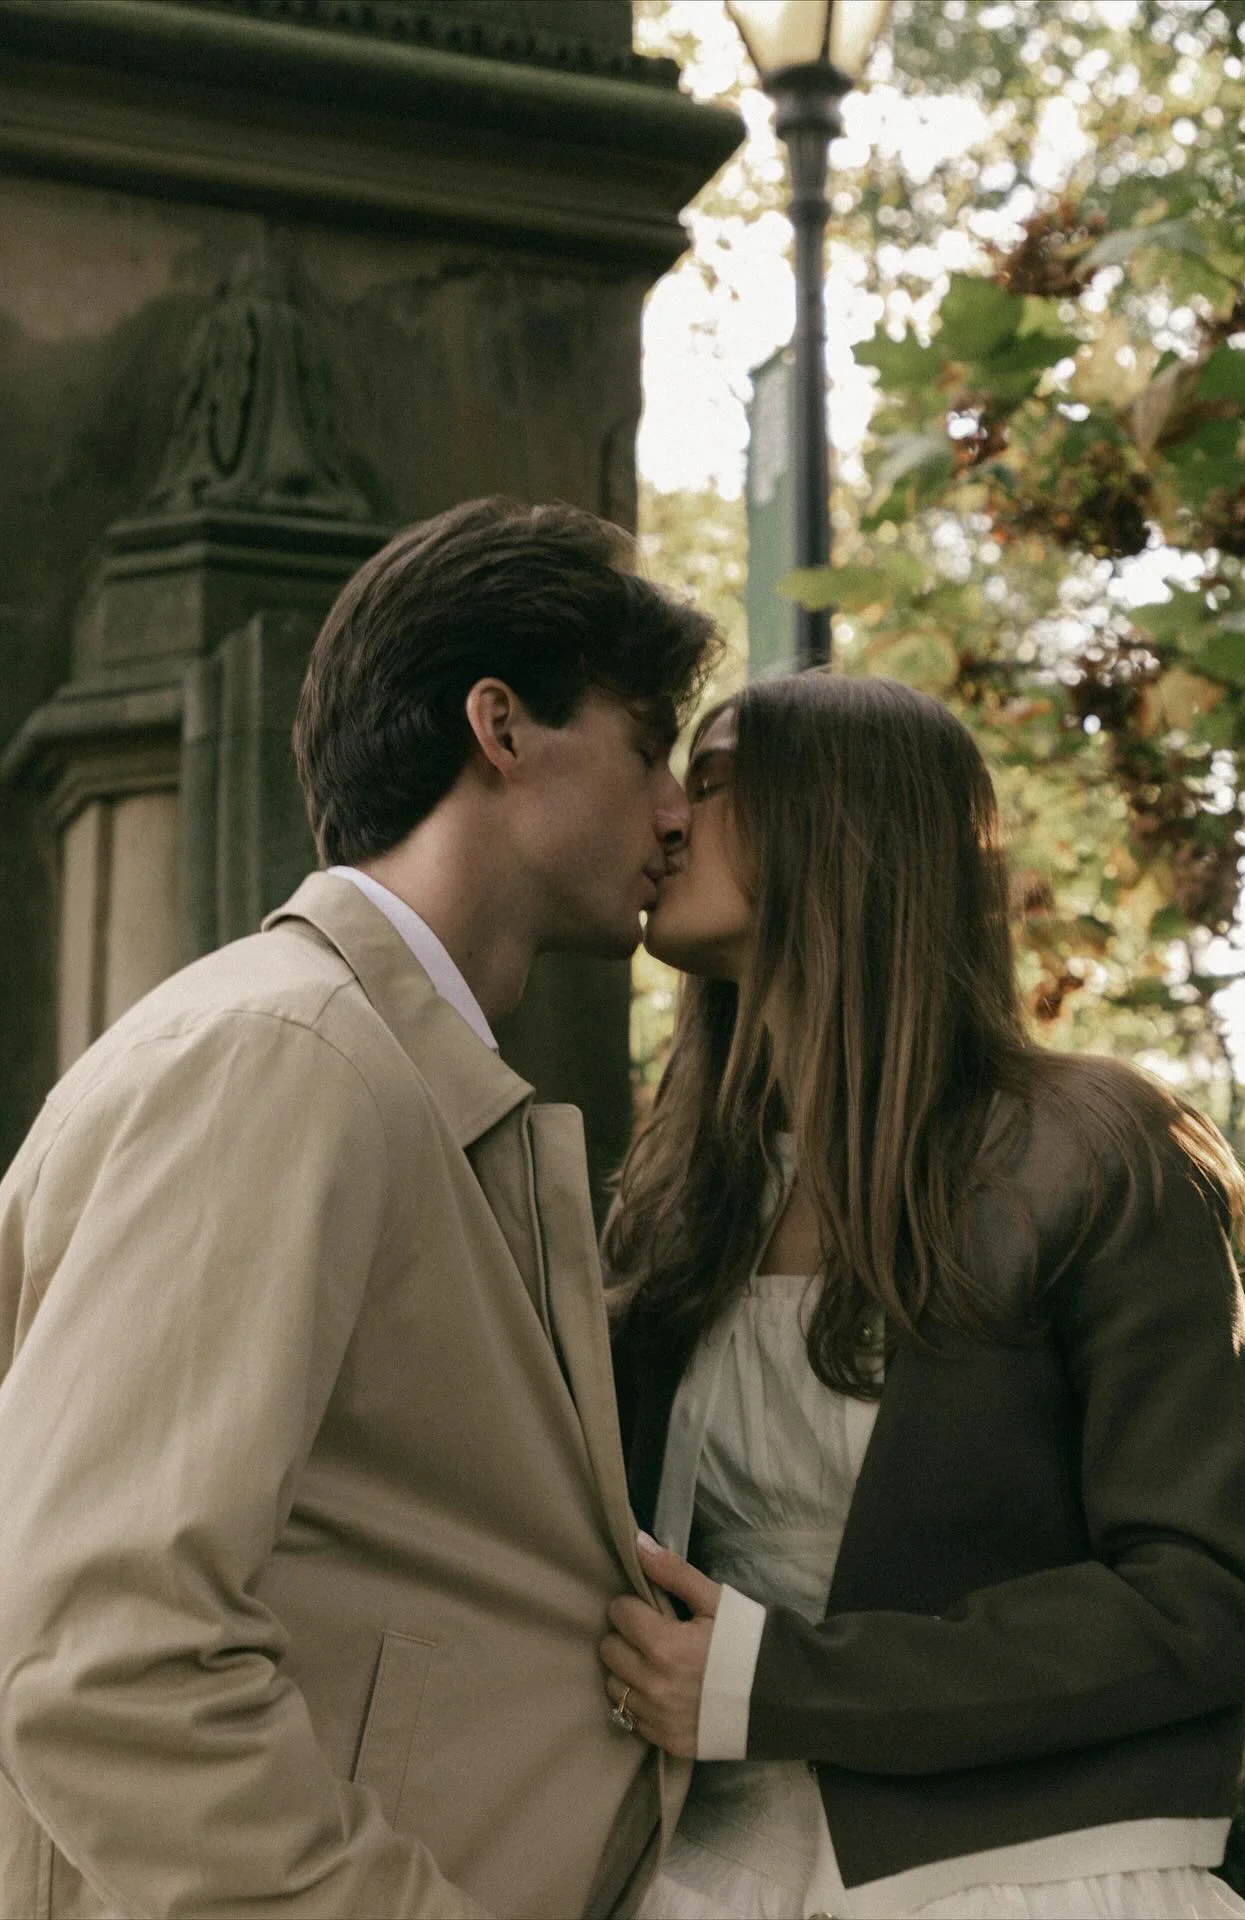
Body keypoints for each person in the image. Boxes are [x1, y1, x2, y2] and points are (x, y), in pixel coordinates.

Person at [0, 499, 720, 1920]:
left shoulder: (369, 1067)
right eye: (650, 747)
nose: (680, 811)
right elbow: (108, 1659)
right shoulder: (284, 1059)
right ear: (502, 727)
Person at [600, 673, 1245, 1920]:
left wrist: (781, 1681)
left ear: (849, 820)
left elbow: (1206, 1601)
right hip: (703, 1868)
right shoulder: (682, 1192)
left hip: (1031, 1874)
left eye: (708, 777)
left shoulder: (1094, 1151)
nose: (665, 817)